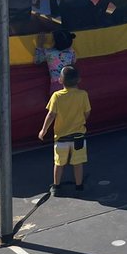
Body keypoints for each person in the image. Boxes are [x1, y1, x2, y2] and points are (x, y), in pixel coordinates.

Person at [37, 65, 91, 196]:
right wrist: (81, 120)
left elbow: (51, 115)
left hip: (61, 138)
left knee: (59, 163)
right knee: (78, 163)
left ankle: (56, 186)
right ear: (78, 80)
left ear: (60, 80)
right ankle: (79, 186)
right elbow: (87, 112)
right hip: (78, 136)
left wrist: (43, 130)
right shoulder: (83, 95)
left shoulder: (56, 96)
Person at [34, 28, 75, 93]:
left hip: (56, 84)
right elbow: (73, 62)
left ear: (54, 42)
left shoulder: (49, 52)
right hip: (71, 84)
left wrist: (39, 45)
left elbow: (37, 61)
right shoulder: (71, 51)